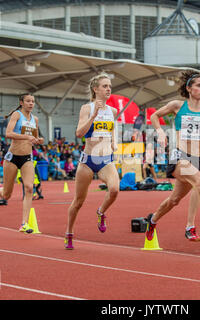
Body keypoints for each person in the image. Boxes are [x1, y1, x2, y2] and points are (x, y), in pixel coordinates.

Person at [145, 70, 200, 242]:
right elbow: (154, 116)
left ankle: (152, 220)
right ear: (189, 88)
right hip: (180, 156)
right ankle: (190, 227)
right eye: (199, 85)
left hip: (197, 159)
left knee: (174, 200)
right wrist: (160, 132)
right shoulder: (178, 106)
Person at [64, 73, 119, 250]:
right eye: (104, 86)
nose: (108, 89)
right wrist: (94, 115)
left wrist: (113, 142)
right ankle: (69, 232)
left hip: (106, 160)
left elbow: (112, 128)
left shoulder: (113, 111)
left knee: (114, 190)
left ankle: (101, 211)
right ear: (95, 89)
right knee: (78, 202)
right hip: (87, 161)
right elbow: (79, 133)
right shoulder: (86, 108)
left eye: (110, 86)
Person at [0, 93, 44, 233]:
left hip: (27, 157)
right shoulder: (17, 115)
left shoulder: (35, 119)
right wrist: (26, 136)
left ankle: (24, 224)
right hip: (12, 158)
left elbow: (35, 138)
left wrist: (39, 140)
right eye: (28, 101)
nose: (31, 103)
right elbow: (8, 133)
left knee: (29, 188)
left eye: (33, 101)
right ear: (21, 102)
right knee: (7, 195)